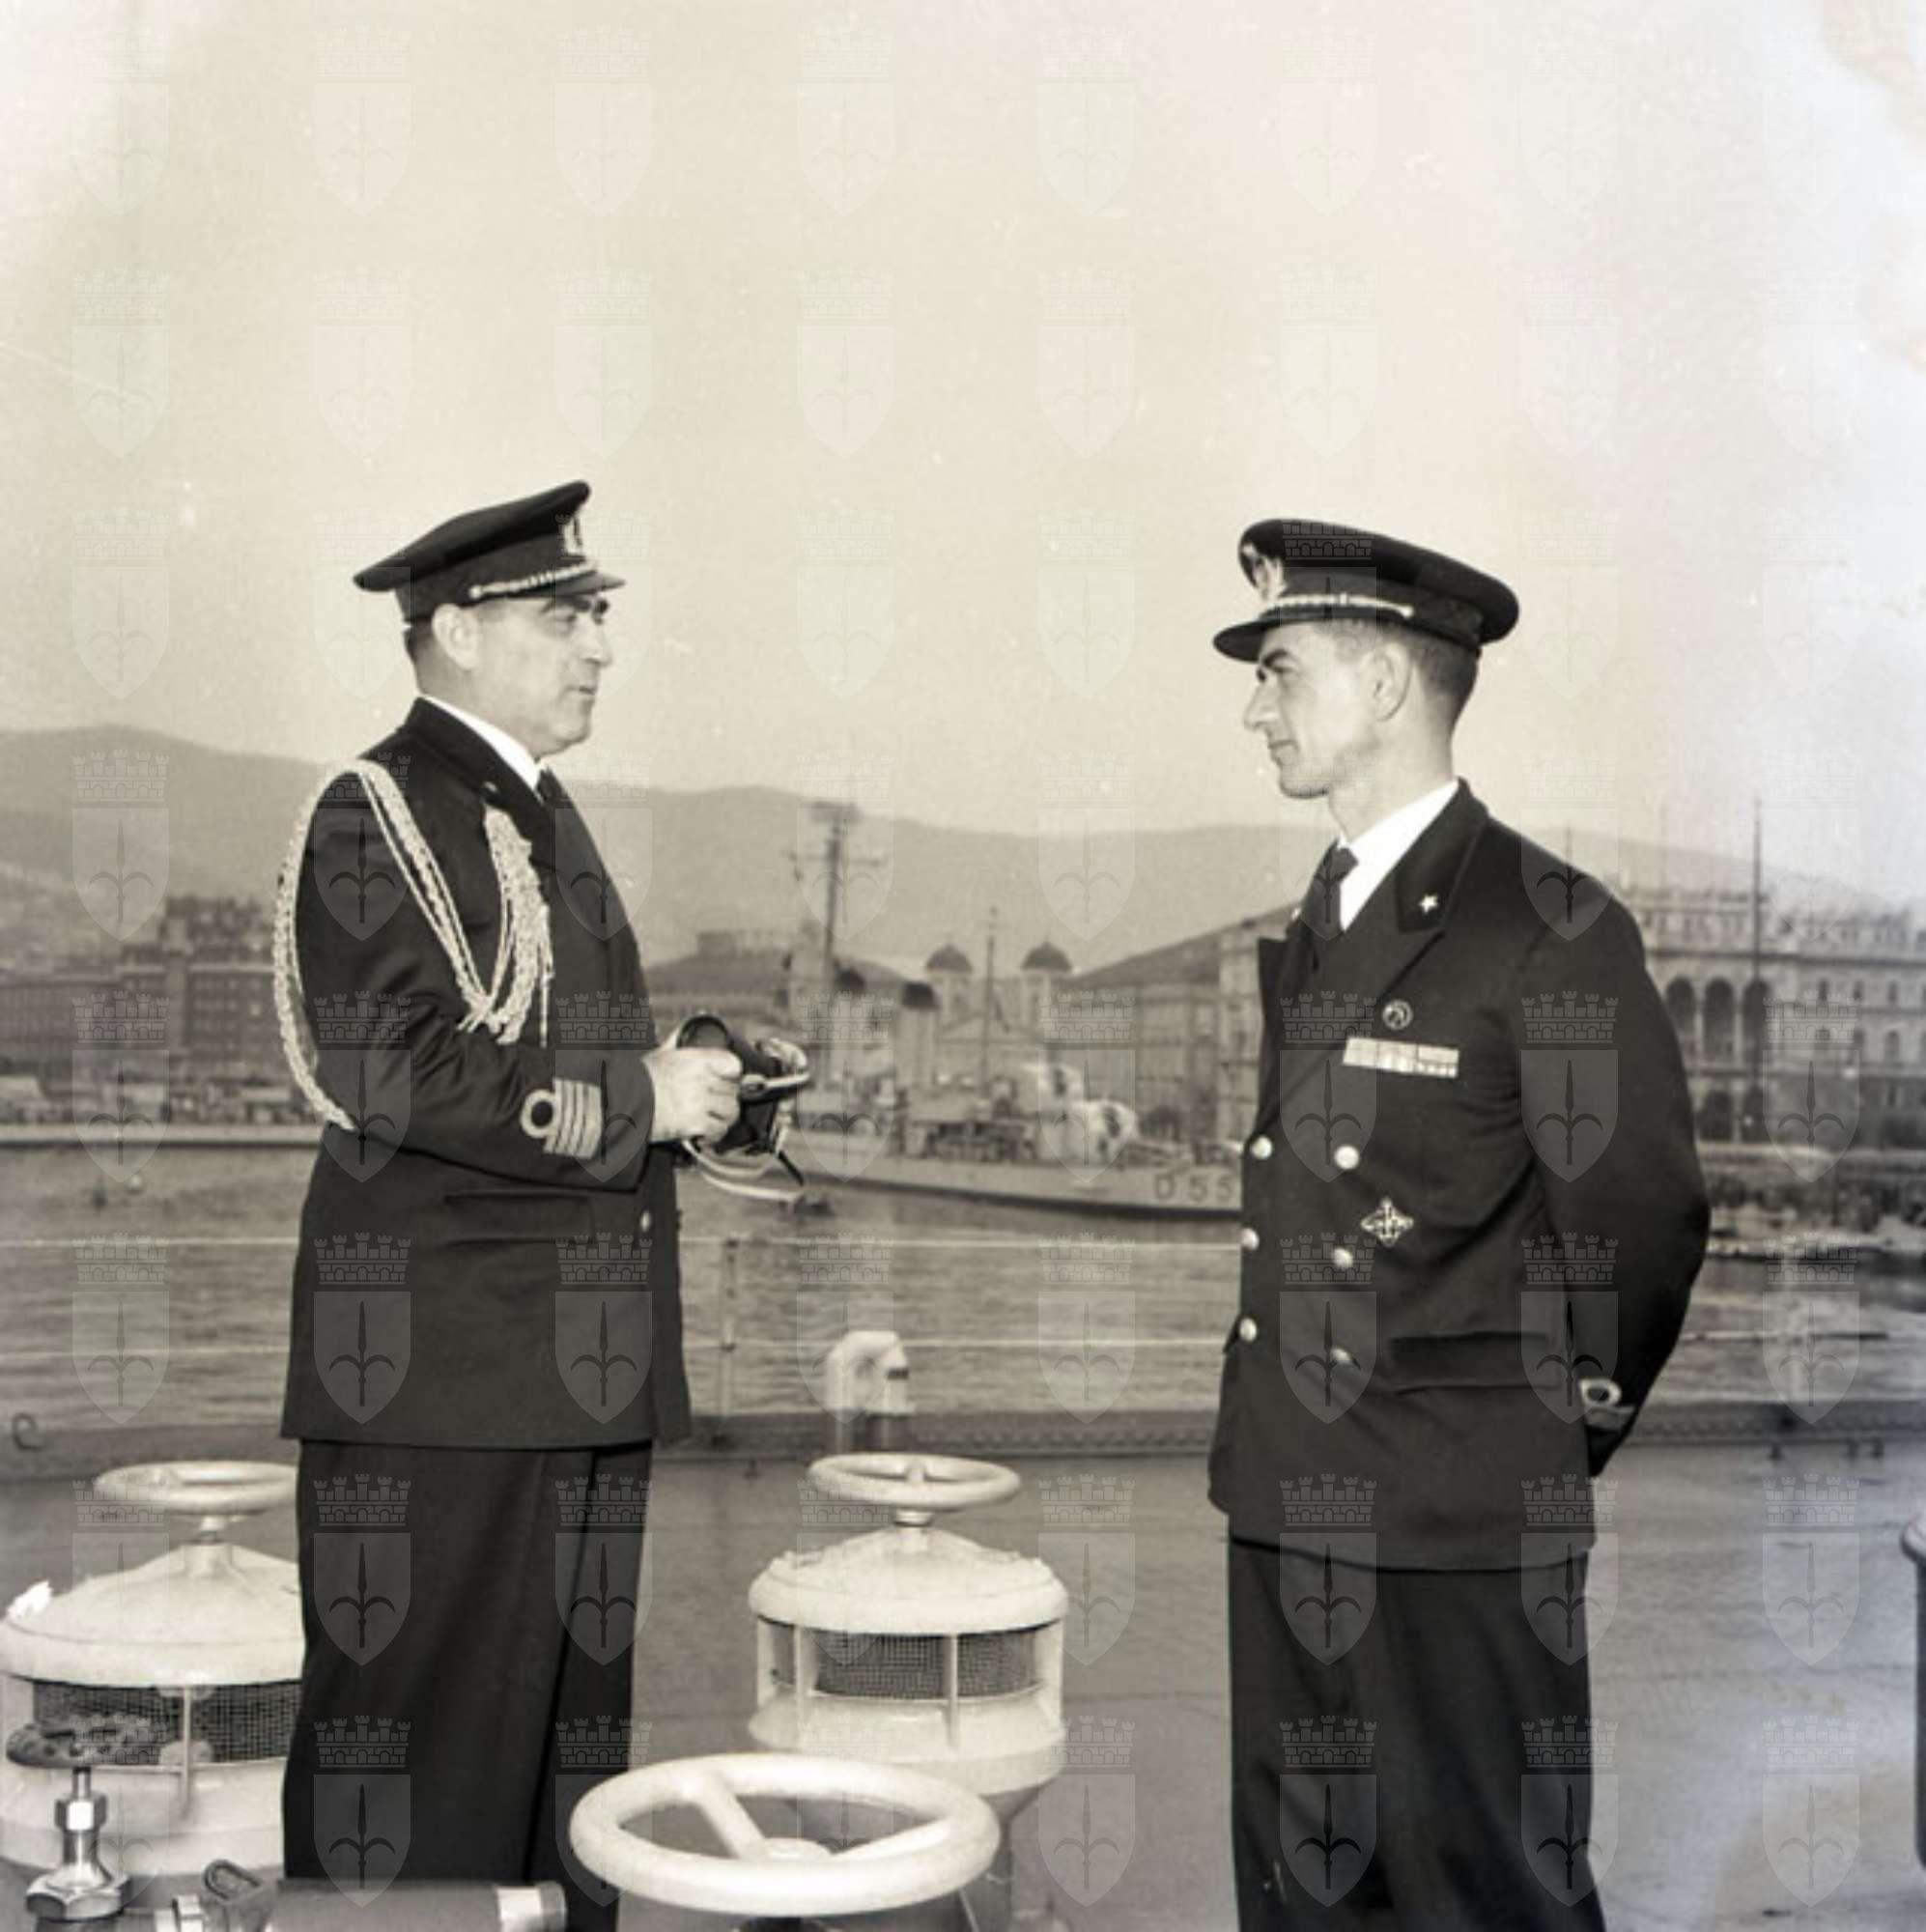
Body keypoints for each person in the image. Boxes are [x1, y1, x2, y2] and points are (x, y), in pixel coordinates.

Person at [1206, 520, 1709, 1927]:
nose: (1253, 709)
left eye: (1279, 670)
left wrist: (1539, 1425)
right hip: (1286, 1494)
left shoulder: (1549, 928)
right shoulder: (1329, 908)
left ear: (1381, 685)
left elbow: (1641, 1218)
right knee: (1305, 1895)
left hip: (1458, 1526)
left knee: (1484, 1894)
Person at [270, 481, 743, 1928]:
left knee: (561, 1786)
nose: (599, 647)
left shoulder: (533, 813)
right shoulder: (376, 811)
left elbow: (538, 1064)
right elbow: (385, 1068)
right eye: (563, 617)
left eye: (597, 616)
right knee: (420, 1779)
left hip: (563, 1378)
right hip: (444, 1386)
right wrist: (637, 1097)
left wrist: (700, 1094)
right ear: (461, 631)